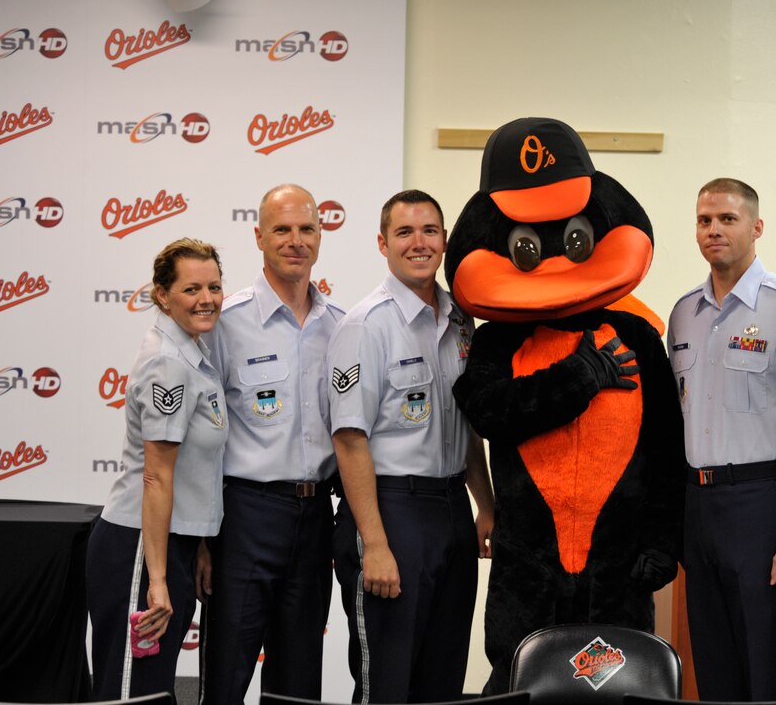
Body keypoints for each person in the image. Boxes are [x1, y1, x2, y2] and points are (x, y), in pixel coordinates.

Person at [667, 178, 776, 701]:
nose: (713, 230)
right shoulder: (683, 314)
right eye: (703, 220)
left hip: (762, 502)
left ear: (756, 227)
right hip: (699, 506)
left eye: (727, 219)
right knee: (712, 664)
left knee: (768, 664)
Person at [327, 189, 495, 704]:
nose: (418, 243)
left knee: (443, 679)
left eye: (429, 231)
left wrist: (486, 505)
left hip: (451, 511)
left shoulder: (461, 321)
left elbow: (464, 427)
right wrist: (374, 545)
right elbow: (349, 442)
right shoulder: (365, 326)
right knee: (388, 683)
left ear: (444, 241)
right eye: (404, 232)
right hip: (390, 513)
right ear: (382, 243)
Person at [199, 184, 345, 703]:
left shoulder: (342, 327)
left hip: (314, 521)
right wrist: (200, 536)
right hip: (244, 517)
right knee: (226, 673)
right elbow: (200, 437)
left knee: (300, 678)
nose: (295, 241)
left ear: (321, 237)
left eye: (306, 229)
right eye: (282, 229)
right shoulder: (225, 323)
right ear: (258, 236)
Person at [87, 238, 228, 699]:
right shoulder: (169, 362)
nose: (206, 299)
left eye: (214, 286)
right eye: (191, 289)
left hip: (170, 545)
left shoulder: (192, 352)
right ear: (162, 295)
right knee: (131, 691)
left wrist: (200, 542)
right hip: (140, 552)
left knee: (152, 689)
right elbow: (157, 476)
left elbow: (194, 471)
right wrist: (159, 580)